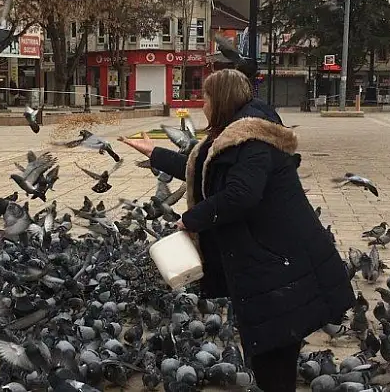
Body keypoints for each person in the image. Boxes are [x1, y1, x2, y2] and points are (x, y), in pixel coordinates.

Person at [119, 69, 355, 392]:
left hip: (278, 265)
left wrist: (190, 220)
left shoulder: (253, 141)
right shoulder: (234, 135)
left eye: (206, 98)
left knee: (273, 358)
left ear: (222, 99)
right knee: (269, 355)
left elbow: (240, 196)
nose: (202, 105)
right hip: (269, 262)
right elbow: (202, 168)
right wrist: (155, 153)